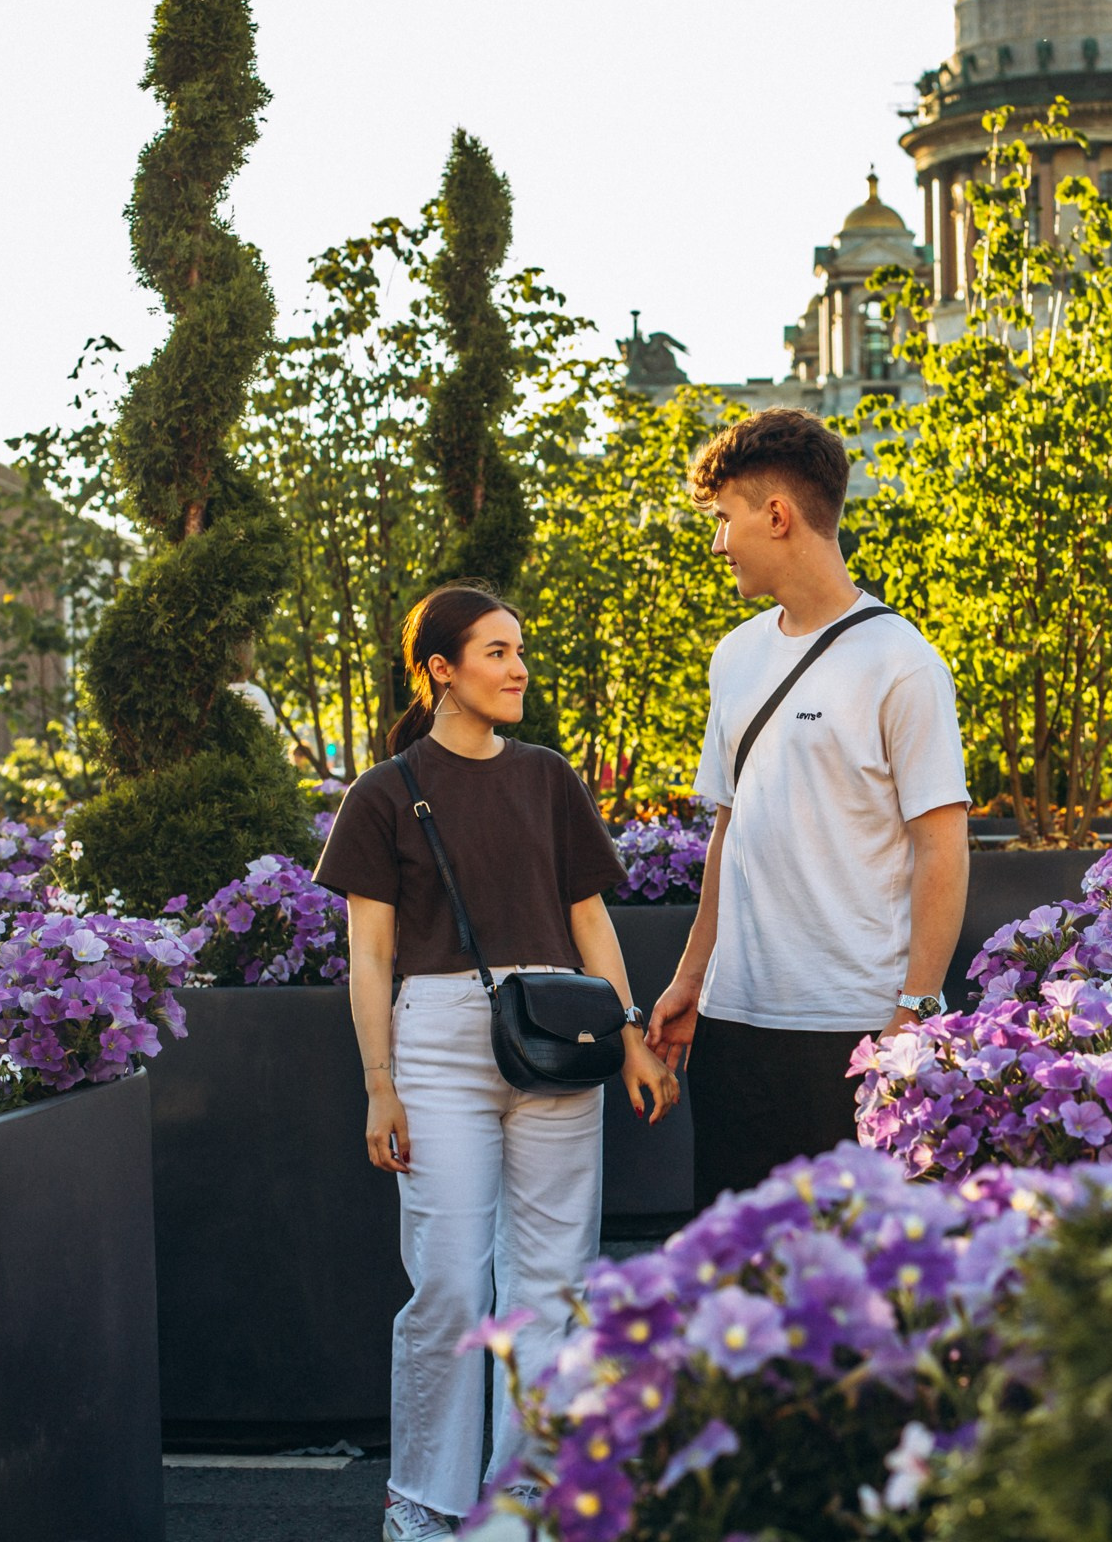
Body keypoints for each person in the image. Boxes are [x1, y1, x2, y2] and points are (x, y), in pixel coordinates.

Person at [313, 583, 680, 1542]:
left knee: (554, 1280)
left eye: (519, 651)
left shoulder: (549, 777)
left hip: (559, 1030)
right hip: (437, 1042)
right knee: (446, 1283)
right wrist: (380, 1084)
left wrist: (630, 1035)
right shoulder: (384, 792)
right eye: (497, 652)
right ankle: (424, 1499)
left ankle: (524, 1493)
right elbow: (369, 958)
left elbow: (589, 919)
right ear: (441, 670)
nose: (519, 669)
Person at [645, 408, 971, 1203]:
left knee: (856, 1260)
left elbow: (943, 846)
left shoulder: (902, 663)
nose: (718, 542)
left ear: (777, 515)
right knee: (738, 1259)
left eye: (724, 518)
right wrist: (690, 980)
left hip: (854, 1031)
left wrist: (915, 1014)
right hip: (733, 1023)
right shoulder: (734, 656)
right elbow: (731, 828)